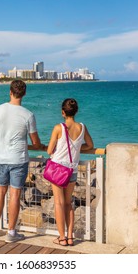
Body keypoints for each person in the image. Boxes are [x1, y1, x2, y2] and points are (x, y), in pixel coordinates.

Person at [0, 80, 45, 243]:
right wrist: (42, 146)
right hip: (18, 159)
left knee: (0, 191)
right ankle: (11, 233)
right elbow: (35, 142)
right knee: (15, 194)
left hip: (1, 158)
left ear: (10, 92)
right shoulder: (28, 115)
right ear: (24, 94)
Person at [46, 98, 94, 247]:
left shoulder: (58, 128)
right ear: (76, 111)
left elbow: (49, 150)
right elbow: (90, 145)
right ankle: (70, 237)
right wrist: (78, 148)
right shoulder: (82, 127)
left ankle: (61, 238)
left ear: (62, 112)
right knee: (68, 203)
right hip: (71, 170)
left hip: (58, 169)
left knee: (59, 203)